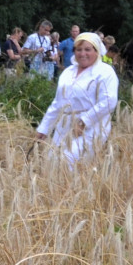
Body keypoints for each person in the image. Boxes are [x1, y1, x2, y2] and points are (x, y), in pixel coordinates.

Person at [35, 32, 119, 169]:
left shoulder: (105, 72)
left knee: (69, 161)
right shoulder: (68, 72)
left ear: (97, 51)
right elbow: (57, 103)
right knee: (51, 161)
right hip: (66, 123)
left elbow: (109, 101)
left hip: (93, 126)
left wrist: (84, 122)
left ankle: (77, 190)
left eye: (88, 49)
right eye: (79, 50)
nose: (82, 53)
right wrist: (44, 128)